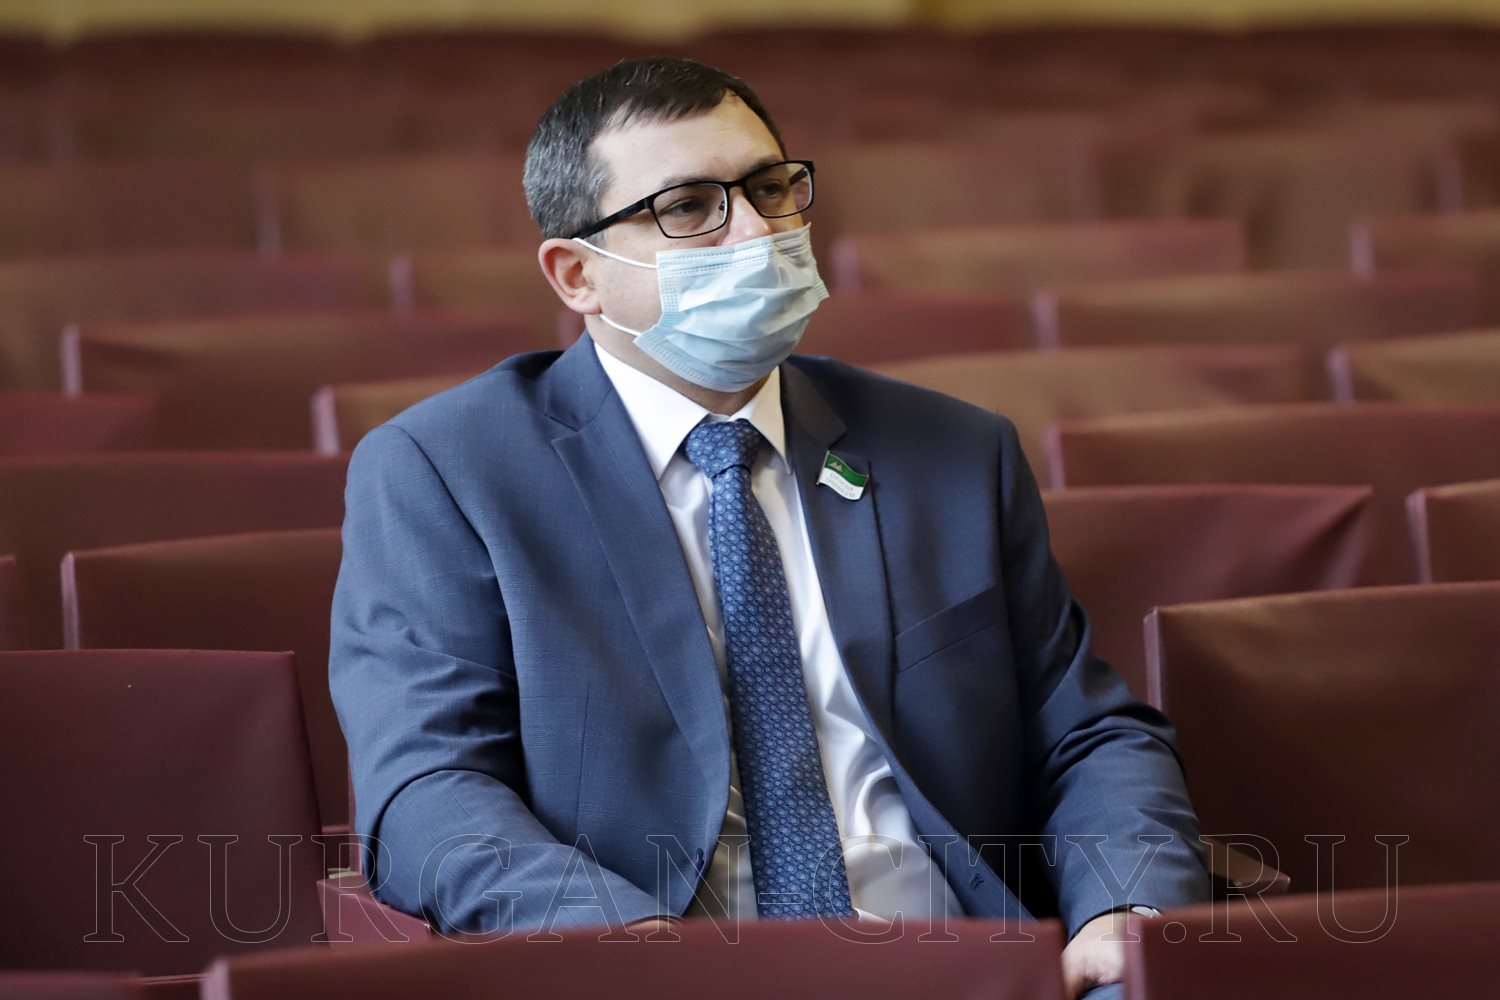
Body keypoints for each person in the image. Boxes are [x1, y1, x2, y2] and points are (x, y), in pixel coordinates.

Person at [329, 55, 1209, 997]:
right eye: (689, 207)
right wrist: (635, 953)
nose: (756, 230)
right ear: (578, 274)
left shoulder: (954, 453)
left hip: (967, 968)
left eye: (769, 188)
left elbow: (1089, 737)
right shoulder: (447, 471)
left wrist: (1126, 911)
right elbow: (429, 792)